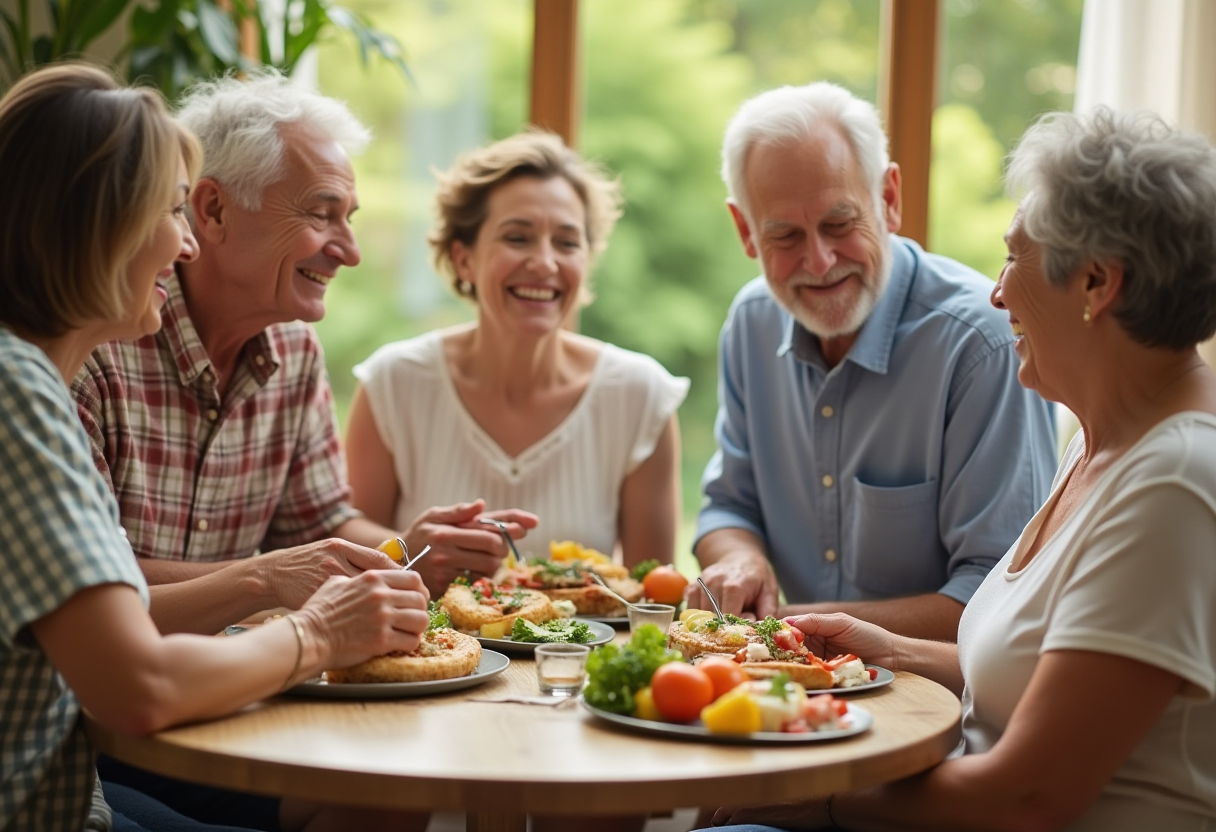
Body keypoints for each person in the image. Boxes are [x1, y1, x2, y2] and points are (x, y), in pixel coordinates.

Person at [706, 108, 1216, 831]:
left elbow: (1028, 800)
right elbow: (1038, 679)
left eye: (1015, 258)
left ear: (1097, 283)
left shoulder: (1174, 482)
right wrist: (889, 648)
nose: (998, 291)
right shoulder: (1106, 444)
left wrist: (812, 799)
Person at [0, 63, 431, 832]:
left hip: (78, 768)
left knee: (384, 796)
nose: (184, 245)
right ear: (94, 228)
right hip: (60, 801)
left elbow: (313, 525)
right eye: (168, 211)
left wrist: (407, 550)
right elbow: (139, 683)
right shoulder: (21, 396)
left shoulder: (26, 383)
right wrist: (317, 630)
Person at [70, 69, 537, 640]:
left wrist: (411, 547)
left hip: (236, 687)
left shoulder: (293, 348)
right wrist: (266, 578)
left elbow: (319, 526)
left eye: (351, 218)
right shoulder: (92, 347)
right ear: (213, 210)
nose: (351, 252)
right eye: (322, 213)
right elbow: (90, 589)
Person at [688, 82, 1056, 640]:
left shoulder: (980, 343)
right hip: (791, 699)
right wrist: (741, 559)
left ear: (889, 198)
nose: (820, 260)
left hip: (941, 713)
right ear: (745, 231)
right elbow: (727, 506)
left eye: (840, 224)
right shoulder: (751, 323)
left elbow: (998, 600)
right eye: (785, 235)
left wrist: (785, 628)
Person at [345, 131, 688, 570]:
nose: (545, 263)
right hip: (423, 640)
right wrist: (412, 547)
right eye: (518, 238)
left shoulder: (642, 395)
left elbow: (653, 600)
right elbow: (347, 543)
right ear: (464, 257)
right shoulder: (392, 383)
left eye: (567, 243)